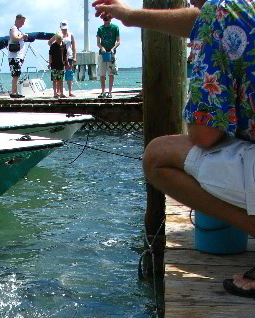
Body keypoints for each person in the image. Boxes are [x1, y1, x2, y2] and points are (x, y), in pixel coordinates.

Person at [93, 0, 255, 297]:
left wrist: (207, 112)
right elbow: (202, 20)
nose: (188, 1)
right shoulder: (238, 8)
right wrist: (129, 17)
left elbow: (206, 135)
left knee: (158, 156)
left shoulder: (217, 12)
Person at [48, 21, 77, 97]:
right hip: (60, 58)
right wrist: (56, 49)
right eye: (63, 29)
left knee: (69, 73)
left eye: (65, 29)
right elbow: (50, 42)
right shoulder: (58, 35)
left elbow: (74, 46)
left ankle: (70, 92)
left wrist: (74, 56)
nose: (64, 30)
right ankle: (61, 91)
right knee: (60, 75)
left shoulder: (71, 35)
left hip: (69, 56)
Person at [96, 12, 120, 98]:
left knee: (111, 73)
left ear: (111, 19)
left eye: (108, 20)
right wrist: (102, 48)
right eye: (105, 20)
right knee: (102, 73)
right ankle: (103, 92)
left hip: (112, 54)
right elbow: (98, 43)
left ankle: (110, 92)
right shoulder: (100, 29)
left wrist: (113, 48)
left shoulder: (115, 28)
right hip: (102, 54)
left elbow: (118, 41)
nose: (106, 22)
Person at [8, 13, 29, 98]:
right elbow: (14, 38)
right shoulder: (14, 28)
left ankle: (15, 91)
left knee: (17, 74)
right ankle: (14, 93)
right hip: (14, 56)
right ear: (18, 20)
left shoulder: (17, 30)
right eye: (22, 22)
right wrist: (23, 36)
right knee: (15, 74)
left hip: (18, 56)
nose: (23, 24)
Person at [49, 32, 68, 98]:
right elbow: (50, 55)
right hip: (54, 64)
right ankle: (55, 93)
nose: (59, 41)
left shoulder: (63, 45)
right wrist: (49, 63)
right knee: (54, 79)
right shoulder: (53, 45)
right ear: (56, 39)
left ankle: (62, 93)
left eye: (60, 39)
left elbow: (65, 55)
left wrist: (66, 63)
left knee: (61, 79)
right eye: (58, 39)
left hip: (61, 64)